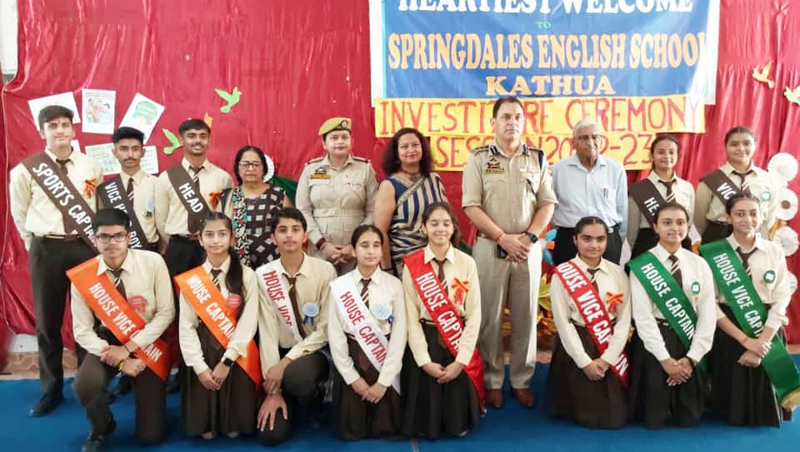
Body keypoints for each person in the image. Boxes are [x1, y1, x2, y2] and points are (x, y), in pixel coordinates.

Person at [9, 105, 103, 416]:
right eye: (53, 126)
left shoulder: (91, 165)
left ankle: (90, 385)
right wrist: (36, 247)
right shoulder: (25, 171)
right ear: (42, 132)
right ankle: (51, 390)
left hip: (83, 248)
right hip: (46, 249)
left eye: (65, 124)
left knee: (89, 320)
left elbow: (97, 207)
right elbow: (20, 214)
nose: (60, 130)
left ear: (73, 129)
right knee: (47, 322)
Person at [462, 96, 556, 408]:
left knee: (526, 317)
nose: (512, 122)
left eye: (517, 116)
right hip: (491, 248)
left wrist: (529, 238)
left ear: (523, 122)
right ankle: (492, 380)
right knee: (489, 317)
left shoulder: (537, 158)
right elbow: (471, 206)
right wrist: (503, 238)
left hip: (527, 249)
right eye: (505, 116)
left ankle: (521, 379)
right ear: (493, 122)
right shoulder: (478, 159)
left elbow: (547, 203)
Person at [68, 208, 174, 451]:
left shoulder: (153, 262)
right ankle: (102, 425)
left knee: (150, 437)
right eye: (104, 237)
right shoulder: (84, 276)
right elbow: (82, 331)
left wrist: (129, 348)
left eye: (118, 236)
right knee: (85, 384)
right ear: (94, 239)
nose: (111, 242)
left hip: (148, 340)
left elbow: (166, 313)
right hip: (109, 341)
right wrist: (121, 360)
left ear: (128, 237)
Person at [700, 194, 799, 426]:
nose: (747, 219)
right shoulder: (712, 252)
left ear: (762, 216)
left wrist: (761, 343)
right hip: (729, 328)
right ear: (728, 217)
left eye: (753, 213)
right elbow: (709, 303)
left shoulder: (774, 251)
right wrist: (745, 341)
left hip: (766, 325)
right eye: (740, 214)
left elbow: (781, 297)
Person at [154, 118, 233, 391]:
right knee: (178, 312)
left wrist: (211, 244)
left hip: (211, 250)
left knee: (211, 307)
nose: (197, 141)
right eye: (191, 136)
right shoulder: (166, 178)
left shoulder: (222, 177)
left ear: (209, 139)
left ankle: (210, 362)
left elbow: (225, 218)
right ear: (181, 140)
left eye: (202, 135)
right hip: (178, 249)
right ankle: (181, 368)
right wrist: (179, 242)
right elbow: (161, 219)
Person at [628, 203, 716, 428]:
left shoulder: (699, 264)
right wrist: (665, 360)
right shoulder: (642, 265)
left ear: (688, 226)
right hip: (655, 342)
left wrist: (692, 358)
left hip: (689, 339)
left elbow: (708, 313)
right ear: (655, 227)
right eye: (667, 223)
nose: (674, 228)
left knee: (689, 418)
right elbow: (643, 317)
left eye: (680, 222)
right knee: (655, 418)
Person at [255, 207, 337, 445]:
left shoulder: (325, 270)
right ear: (273, 238)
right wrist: (273, 389)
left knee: (298, 377)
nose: (289, 235)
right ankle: (286, 399)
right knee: (270, 436)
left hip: (314, 352)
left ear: (305, 235)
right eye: (282, 230)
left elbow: (325, 329)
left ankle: (314, 401)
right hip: (278, 353)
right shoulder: (263, 275)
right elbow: (267, 331)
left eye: (295, 230)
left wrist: (286, 363)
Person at [175, 212, 261, 439]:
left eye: (222, 234)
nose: (215, 240)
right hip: (202, 348)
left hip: (235, 349)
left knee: (234, 432)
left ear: (232, 239)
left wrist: (228, 360)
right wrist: (199, 366)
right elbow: (186, 326)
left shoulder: (247, 276)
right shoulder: (191, 279)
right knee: (206, 433)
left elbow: (248, 322)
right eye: (209, 235)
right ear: (200, 240)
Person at [401, 202, 483, 438]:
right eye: (434, 223)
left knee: (458, 424)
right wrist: (424, 360)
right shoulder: (412, 265)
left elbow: (475, 314)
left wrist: (461, 361)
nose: (440, 229)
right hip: (426, 340)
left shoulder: (467, 263)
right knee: (425, 423)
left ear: (453, 227)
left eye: (446, 223)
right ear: (424, 228)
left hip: (457, 338)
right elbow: (411, 318)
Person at [546, 216, 631, 429]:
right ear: (575, 240)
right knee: (582, 412)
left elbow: (624, 320)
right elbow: (563, 323)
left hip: (610, 343)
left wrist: (608, 359)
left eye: (600, 239)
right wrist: (584, 362)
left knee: (614, 417)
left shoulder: (618, 273)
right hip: (577, 343)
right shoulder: (562, 274)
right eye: (587, 239)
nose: (594, 245)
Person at [327, 225, 406, 440]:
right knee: (351, 431)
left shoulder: (394, 285)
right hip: (352, 360)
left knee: (387, 428)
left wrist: (384, 381)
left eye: (376, 245)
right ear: (353, 250)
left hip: (384, 360)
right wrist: (353, 379)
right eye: (364, 245)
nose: (371, 251)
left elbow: (399, 336)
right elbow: (335, 336)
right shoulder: (339, 286)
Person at [296, 117, 379, 274]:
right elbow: (302, 210)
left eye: (344, 137)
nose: (340, 141)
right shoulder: (311, 170)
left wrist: (356, 244)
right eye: (334, 138)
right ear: (324, 144)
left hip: (356, 251)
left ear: (351, 141)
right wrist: (321, 243)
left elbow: (373, 210)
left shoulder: (365, 169)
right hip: (320, 250)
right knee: (322, 287)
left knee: (355, 288)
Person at [551, 119, 627, 265]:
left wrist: (615, 241)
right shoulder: (558, 170)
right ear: (573, 143)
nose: (590, 142)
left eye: (595, 137)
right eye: (584, 138)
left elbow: (622, 210)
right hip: (569, 241)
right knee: (569, 280)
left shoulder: (615, 169)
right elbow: (551, 208)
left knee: (607, 280)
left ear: (601, 140)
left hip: (607, 240)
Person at [373, 127, 448, 275]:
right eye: (404, 147)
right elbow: (381, 231)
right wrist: (387, 269)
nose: (411, 150)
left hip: (438, 257)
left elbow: (448, 218)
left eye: (415, 145)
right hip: (406, 263)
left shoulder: (434, 179)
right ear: (396, 152)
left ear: (423, 148)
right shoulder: (389, 186)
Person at [695, 126, 780, 243]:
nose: (741, 148)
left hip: (757, 237)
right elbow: (699, 218)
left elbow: (770, 215)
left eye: (746, 143)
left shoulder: (768, 179)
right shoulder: (710, 180)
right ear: (726, 147)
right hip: (719, 241)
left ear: (755, 146)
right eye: (734, 144)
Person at [219, 145, 292, 269]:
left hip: (273, 262)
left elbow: (291, 228)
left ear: (264, 168)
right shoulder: (228, 197)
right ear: (237, 167)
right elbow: (217, 229)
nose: (250, 168)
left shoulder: (278, 195)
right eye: (245, 164)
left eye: (256, 164)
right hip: (236, 264)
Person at [627, 134, 694, 259]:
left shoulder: (687, 187)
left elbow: (688, 222)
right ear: (652, 156)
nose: (666, 156)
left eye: (671, 152)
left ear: (678, 156)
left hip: (679, 244)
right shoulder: (639, 189)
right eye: (661, 152)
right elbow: (632, 231)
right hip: (648, 245)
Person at [98, 126, 162, 252]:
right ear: (114, 152)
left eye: (135, 149)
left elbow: (163, 222)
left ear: (143, 152)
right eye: (124, 149)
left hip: (149, 249)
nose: (130, 155)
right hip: (116, 251)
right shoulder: (106, 189)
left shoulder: (157, 184)